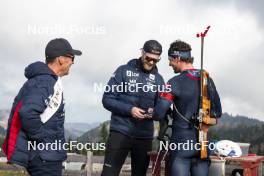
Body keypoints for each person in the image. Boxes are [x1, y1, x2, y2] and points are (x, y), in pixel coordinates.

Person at [2, 38, 82, 176]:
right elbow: (27, 112)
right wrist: (41, 137)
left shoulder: (46, 80)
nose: (73, 62)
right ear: (60, 60)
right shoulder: (45, 81)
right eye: (71, 58)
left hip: (46, 156)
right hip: (45, 158)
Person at [153, 40, 222, 176]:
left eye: (170, 60)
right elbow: (217, 112)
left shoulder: (174, 82)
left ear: (177, 58)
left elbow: (158, 113)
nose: (169, 64)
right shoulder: (206, 79)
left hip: (181, 146)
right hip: (203, 144)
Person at [101, 40, 165, 176]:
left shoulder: (159, 80)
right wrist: (130, 110)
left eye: (156, 60)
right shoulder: (123, 71)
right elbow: (107, 99)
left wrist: (155, 112)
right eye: (148, 58)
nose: (151, 63)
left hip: (144, 136)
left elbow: (161, 110)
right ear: (142, 53)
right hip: (120, 131)